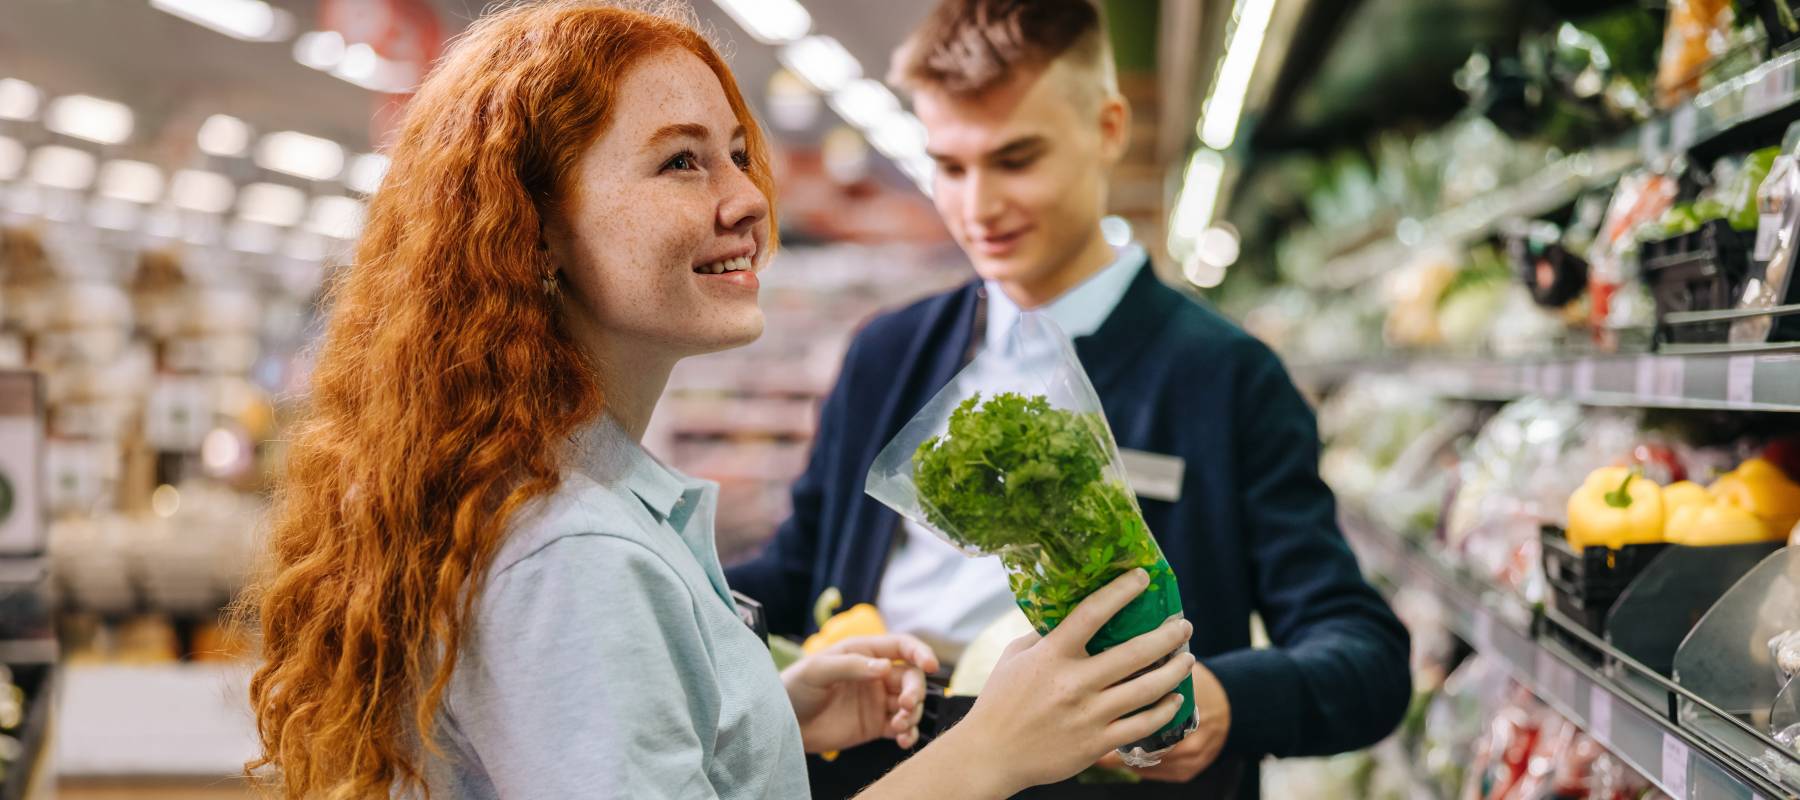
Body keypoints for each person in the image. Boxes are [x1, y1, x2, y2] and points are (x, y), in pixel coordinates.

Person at [240, 2, 1195, 799]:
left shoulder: (579, 500)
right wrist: (991, 754)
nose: (747, 199)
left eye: (737, 154)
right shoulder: (575, 554)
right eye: (681, 162)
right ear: (532, 232)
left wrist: (761, 714)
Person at [724, 0, 1414, 797]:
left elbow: (1364, 655)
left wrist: (1225, 704)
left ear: (1109, 129)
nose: (977, 207)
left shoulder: (1226, 377)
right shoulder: (889, 352)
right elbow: (799, 564)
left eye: (1016, 159)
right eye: (951, 165)